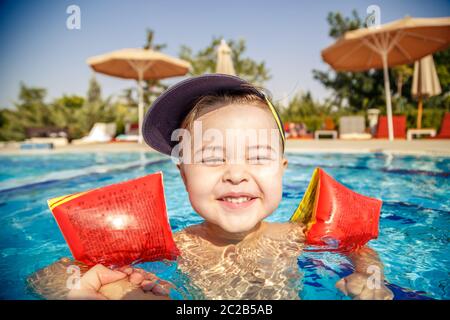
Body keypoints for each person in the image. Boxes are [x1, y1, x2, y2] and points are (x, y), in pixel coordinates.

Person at [29, 74, 393, 300]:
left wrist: (367, 275)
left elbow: (357, 247)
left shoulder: (295, 236)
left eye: (258, 157)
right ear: (185, 176)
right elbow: (47, 276)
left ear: (281, 171)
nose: (236, 173)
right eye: (212, 157)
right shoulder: (175, 247)